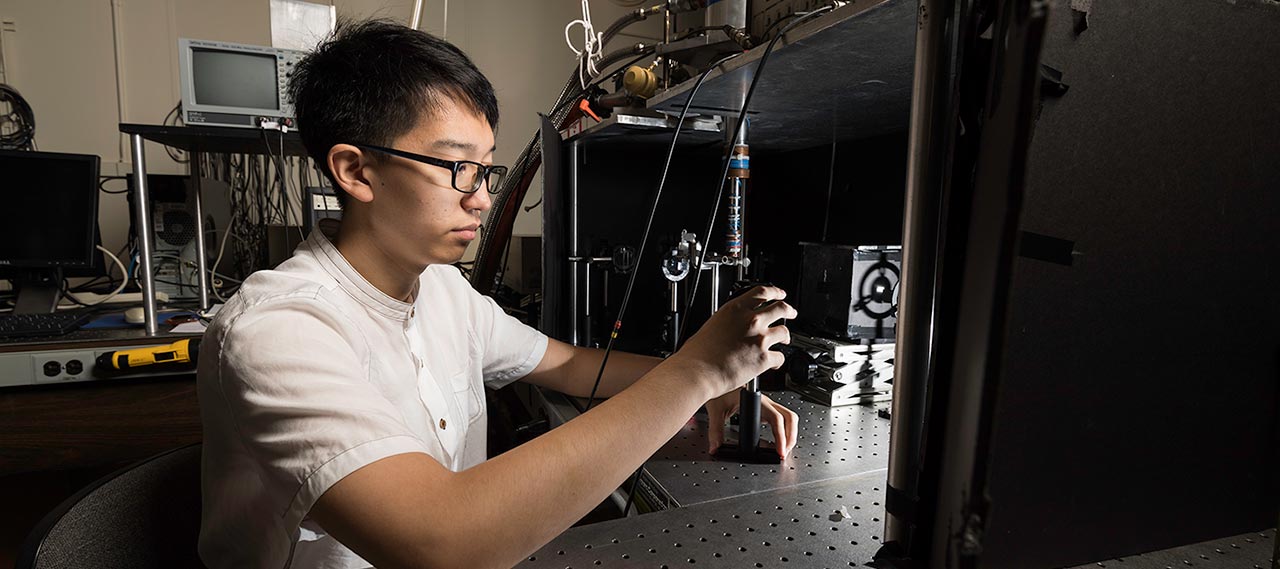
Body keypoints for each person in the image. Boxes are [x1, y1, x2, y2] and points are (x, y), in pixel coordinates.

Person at [196, 19, 799, 569]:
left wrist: (714, 387)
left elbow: (571, 365)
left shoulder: (443, 291)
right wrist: (694, 373)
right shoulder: (277, 329)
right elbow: (440, 541)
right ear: (356, 172)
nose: (481, 197)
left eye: (485, 169)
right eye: (457, 166)